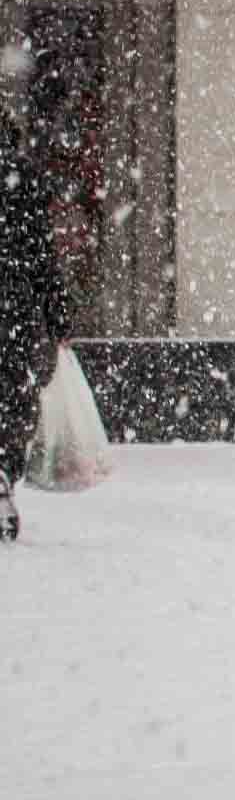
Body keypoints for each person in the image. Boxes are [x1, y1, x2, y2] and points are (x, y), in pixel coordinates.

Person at [0, 125, 67, 543]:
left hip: (15, 304)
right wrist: (58, 316)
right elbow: (43, 252)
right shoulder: (22, 175)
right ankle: (4, 467)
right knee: (13, 396)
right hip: (15, 309)